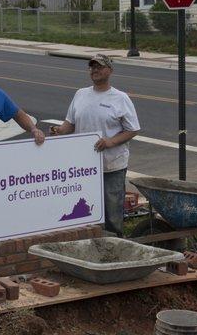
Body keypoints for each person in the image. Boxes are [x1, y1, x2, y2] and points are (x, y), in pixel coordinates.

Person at [50, 54, 140, 236]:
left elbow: (132, 130)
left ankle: (115, 250)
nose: (95, 70)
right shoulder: (80, 94)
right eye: (92, 67)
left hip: (111, 167)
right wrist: (59, 131)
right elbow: (70, 124)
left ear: (110, 70)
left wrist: (110, 142)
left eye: (99, 66)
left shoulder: (120, 98)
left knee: (112, 214)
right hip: (84, 168)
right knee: (85, 212)